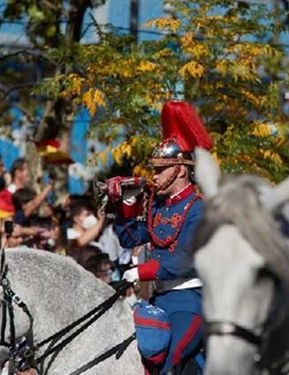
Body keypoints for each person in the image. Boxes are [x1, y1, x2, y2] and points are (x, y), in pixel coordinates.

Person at [109, 101, 212, 374]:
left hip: (191, 301)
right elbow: (132, 239)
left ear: (179, 169)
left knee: (169, 365)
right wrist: (124, 210)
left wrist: (140, 271)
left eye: (159, 169)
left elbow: (186, 258)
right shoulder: (159, 204)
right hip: (157, 299)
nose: (153, 176)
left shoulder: (200, 207)